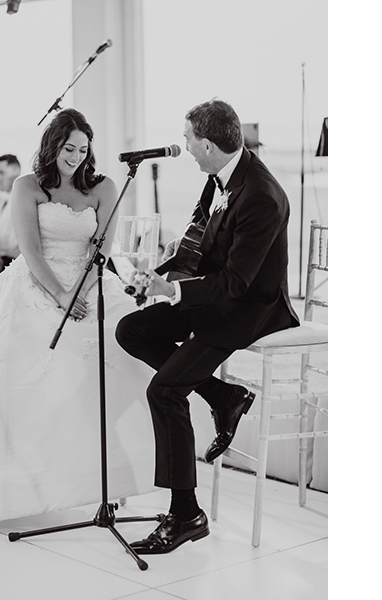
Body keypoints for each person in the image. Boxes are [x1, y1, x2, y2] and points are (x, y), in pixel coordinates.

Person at [0, 108, 156, 526]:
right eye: (69, 148)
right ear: (53, 146)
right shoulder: (26, 186)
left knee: (113, 366)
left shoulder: (104, 188)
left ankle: (104, 481)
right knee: (21, 380)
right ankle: (19, 487)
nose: (75, 156)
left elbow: (101, 250)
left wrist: (82, 291)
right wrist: (61, 294)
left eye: (83, 149)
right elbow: (30, 251)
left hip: (90, 283)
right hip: (38, 283)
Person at [116, 99, 300, 554]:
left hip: (249, 309)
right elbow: (197, 244)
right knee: (131, 330)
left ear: (210, 144)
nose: (185, 147)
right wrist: (156, 274)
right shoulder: (219, 177)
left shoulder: (260, 195)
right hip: (214, 296)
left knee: (165, 390)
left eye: (189, 139)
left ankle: (185, 515)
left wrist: (174, 292)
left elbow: (238, 283)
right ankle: (224, 396)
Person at [0, 153, 22, 267]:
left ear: (15, 172)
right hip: (0, 261)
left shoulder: (23, 200)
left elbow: (12, 243)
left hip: (15, 262)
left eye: (1, 173)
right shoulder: (0, 202)